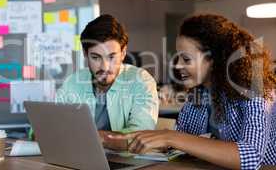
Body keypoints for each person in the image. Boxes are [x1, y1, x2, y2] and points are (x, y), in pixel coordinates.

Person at [110, 14, 276, 169]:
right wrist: (115, 139)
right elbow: (180, 142)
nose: (178, 65)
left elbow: (251, 157)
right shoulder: (199, 94)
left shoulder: (255, 89)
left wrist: (171, 137)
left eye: (186, 59)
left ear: (214, 60)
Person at [55, 14, 159, 150]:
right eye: (95, 57)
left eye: (111, 57)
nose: (104, 67)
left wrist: (99, 138)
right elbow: (52, 126)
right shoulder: (73, 82)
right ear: (85, 54)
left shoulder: (142, 81)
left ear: (123, 53)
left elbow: (141, 136)